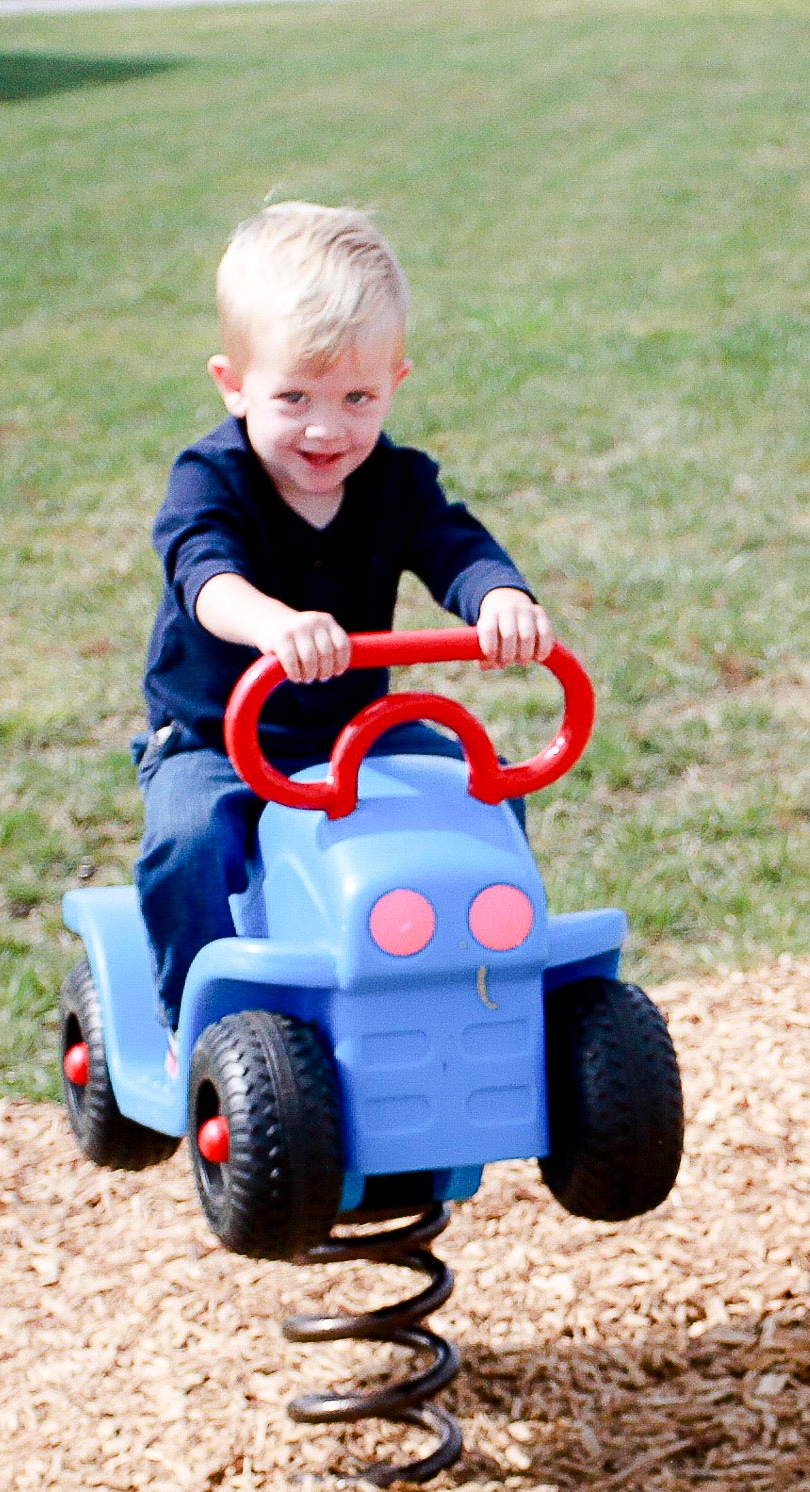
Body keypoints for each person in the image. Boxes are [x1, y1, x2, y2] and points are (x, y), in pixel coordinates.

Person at [132, 202, 554, 1030]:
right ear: (233, 384)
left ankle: (466, 977)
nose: (326, 429)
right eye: (293, 396)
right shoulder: (210, 479)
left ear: (395, 384)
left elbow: (452, 545)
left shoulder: (395, 481)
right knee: (184, 843)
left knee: (485, 792)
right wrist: (270, 624)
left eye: (357, 397)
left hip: (356, 731)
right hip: (217, 734)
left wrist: (500, 597)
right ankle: (202, 1019)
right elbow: (204, 574)